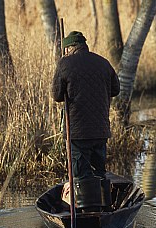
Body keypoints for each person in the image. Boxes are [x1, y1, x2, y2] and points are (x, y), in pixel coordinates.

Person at [52, 31, 120, 212]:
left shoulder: (64, 64)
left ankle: (85, 211)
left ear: (68, 48)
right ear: (84, 45)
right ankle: (104, 210)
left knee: (81, 174)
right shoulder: (103, 62)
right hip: (100, 129)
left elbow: (56, 95)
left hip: (77, 130)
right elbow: (116, 89)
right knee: (99, 170)